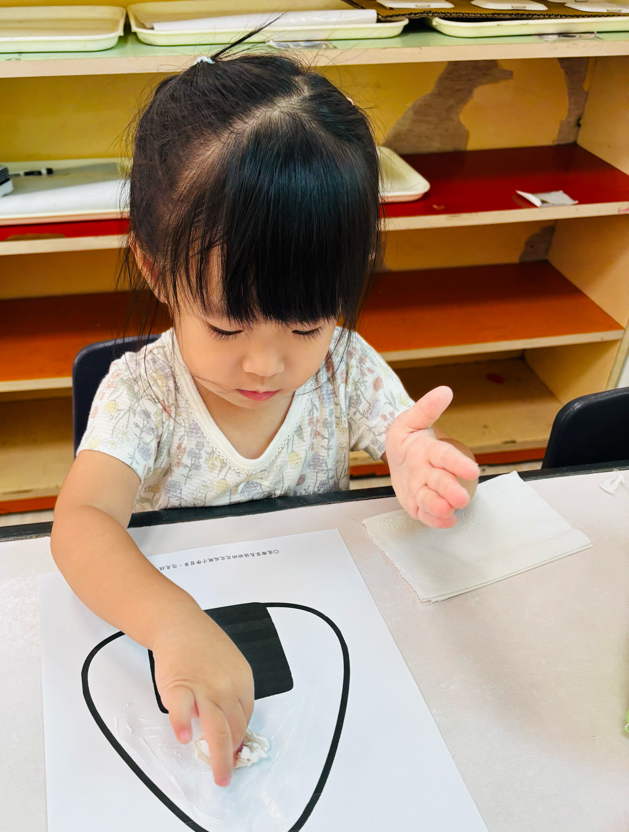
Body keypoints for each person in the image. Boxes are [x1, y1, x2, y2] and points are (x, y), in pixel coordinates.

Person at [51, 50, 479, 789]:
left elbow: (408, 439)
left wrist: (423, 464)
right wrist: (171, 622)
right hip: (185, 627)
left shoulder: (344, 366)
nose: (266, 364)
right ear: (156, 270)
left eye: (306, 323)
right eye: (226, 326)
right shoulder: (144, 394)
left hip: (315, 616)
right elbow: (81, 522)